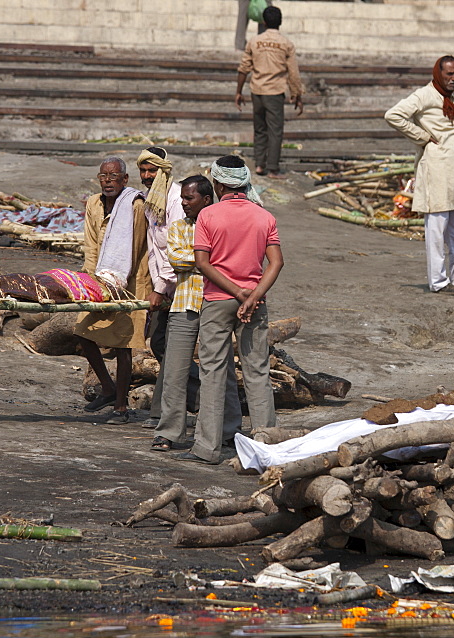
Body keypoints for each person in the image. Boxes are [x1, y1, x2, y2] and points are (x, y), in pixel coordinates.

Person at [176, 156, 283, 465]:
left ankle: (207, 448)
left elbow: (202, 263)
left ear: (218, 183)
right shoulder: (264, 216)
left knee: (213, 372)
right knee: (257, 372)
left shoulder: (208, 216)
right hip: (255, 301)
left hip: (219, 301)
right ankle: (266, 447)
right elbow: (276, 263)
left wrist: (235, 292)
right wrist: (251, 297)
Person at [152, 175, 241, 452]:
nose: (184, 203)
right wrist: (207, 258)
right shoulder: (179, 226)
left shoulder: (220, 224)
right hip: (184, 303)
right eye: (182, 198)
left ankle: (229, 429)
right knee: (174, 370)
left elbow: (218, 259)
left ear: (206, 199)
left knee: (222, 368)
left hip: (217, 302)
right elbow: (176, 259)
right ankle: (169, 431)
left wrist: (203, 259)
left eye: (189, 198)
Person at [385, 55, 454, 296]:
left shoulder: (449, 98)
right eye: (449, 74)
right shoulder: (425, 95)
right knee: (437, 230)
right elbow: (393, 115)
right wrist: (421, 136)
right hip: (437, 169)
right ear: (438, 74)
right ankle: (439, 281)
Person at [74, 157, 150, 423]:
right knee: (83, 331)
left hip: (130, 282)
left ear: (124, 179)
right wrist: (89, 280)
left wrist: (118, 280)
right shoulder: (94, 204)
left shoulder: (135, 205)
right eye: (103, 177)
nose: (108, 182)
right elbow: (91, 245)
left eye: (113, 177)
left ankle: (120, 406)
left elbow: (136, 247)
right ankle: (107, 387)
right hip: (98, 279)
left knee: (124, 345)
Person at [136, 147, 185, 429]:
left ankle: (168, 411)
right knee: (160, 344)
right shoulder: (149, 202)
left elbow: (175, 250)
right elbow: (154, 250)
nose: (146, 176)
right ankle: (167, 410)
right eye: (143, 171)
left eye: (151, 170)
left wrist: (162, 286)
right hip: (165, 286)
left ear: (163, 171)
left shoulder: (177, 200)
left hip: (181, 285)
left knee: (167, 346)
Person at [235, 5, 303, 178]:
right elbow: (293, 73)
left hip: (257, 90)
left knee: (259, 129)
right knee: (275, 131)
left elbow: (243, 68)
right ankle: (272, 168)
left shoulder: (254, 41)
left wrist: (238, 92)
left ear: (264, 22)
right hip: (274, 92)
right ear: (280, 22)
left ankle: (259, 165)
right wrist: (297, 95)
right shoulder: (286, 44)